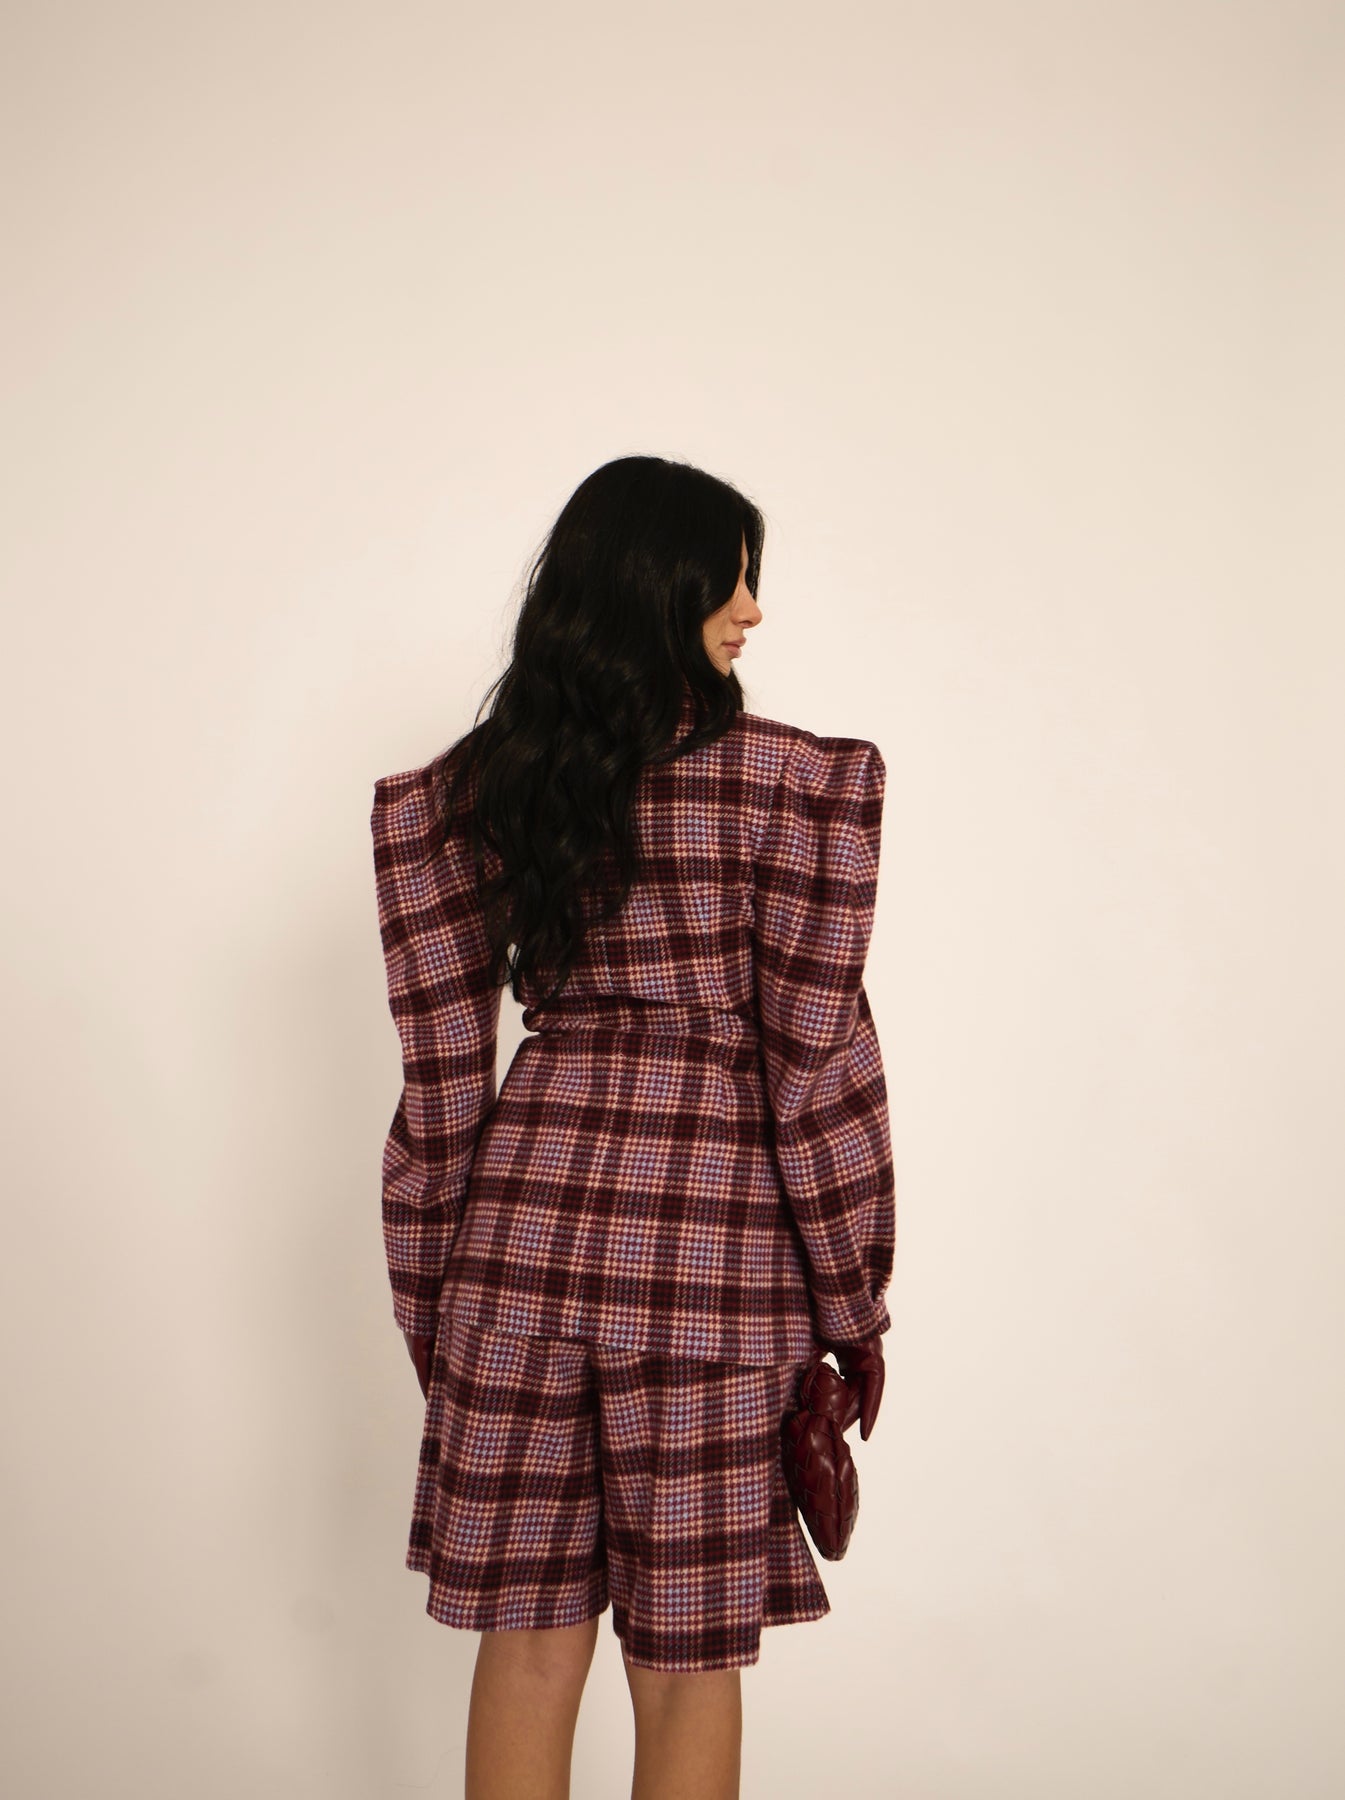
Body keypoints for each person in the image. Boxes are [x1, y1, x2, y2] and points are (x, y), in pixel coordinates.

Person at [370, 453, 894, 1800]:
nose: (753, 610)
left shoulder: (473, 791)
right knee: (684, 1667)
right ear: (659, 586)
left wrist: (436, 1303)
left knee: (528, 1648)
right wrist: (854, 1303)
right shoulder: (791, 788)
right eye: (731, 578)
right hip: (710, 1272)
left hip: (517, 1255)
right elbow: (815, 1072)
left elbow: (440, 1089)